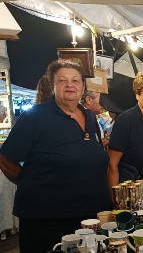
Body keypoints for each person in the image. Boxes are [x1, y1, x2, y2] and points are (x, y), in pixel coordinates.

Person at [0, 59, 110, 253]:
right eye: (62, 80)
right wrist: (30, 182)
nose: (70, 84)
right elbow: (6, 158)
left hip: (87, 218)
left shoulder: (90, 117)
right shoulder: (36, 117)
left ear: (83, 87)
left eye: (76, 80)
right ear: (52, 86)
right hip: (47, 221)